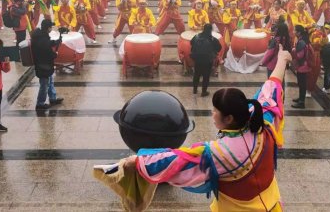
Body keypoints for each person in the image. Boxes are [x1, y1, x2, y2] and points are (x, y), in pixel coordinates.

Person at [113, 46, 290, 211]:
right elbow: (272, 87)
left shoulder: (220, 153)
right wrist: (282, 59)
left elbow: (176, 159)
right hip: (273, 206)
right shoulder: (262, 122)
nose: (212, 114)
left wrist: (137, 161)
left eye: (215, 111)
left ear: (229, 118)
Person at [32, 19, 63, 110]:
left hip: (44, 65)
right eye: (51, 27)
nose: (51, 28)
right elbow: (47, 51)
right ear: (48, 28)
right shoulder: (42, 39)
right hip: (43, 65)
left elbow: (47, 44)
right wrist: (55, 55)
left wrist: (56, 41)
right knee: (44, 85)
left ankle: (52, 98)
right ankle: (40, 104)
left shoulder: (41, 36)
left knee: (50, 82)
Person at [190, 24, 222, 97]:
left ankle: (195, 90)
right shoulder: (213, 39)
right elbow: (219, 48)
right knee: (206, 76)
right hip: (208, 61)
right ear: (211, 30)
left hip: (197, 59)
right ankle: (203, 92)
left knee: (196, 74)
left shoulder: (196, 36)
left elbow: (191, 43)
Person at [291, 25, 313, 109]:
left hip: (302, 66)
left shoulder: (301, 42)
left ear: (299, 32)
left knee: (302, 84)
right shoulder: (304, 39)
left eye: (295, 30)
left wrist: (294, 50)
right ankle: (300, 98)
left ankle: (301, 102)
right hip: (305, 65)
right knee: (301, 83)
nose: (294, 32)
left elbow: (300, 56)